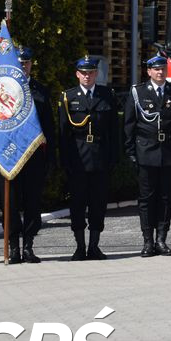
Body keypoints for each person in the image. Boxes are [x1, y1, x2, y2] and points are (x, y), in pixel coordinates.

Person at [124, 53, 171, 257]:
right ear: (149, 71)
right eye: (156, 69)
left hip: (169, 153)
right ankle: (147, 241)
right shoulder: (138, 93)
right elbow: (129, 126)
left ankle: (162, 239)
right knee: (146, 199)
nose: (160, 72)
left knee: (166, 198)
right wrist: (131, 153)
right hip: (146, 153)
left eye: (163, 69)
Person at [59, 55, 119, 260]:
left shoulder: (106, 95)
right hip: (77, 160)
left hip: (100, 158)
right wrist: (65, 161)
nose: (87, 76)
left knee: (98, 204)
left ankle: (94, 246)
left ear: (96, 74)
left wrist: (113, 159)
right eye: (83, 73)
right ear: (77, 74)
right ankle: (79, 247)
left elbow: (114, 131)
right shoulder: (68, 97)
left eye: (91, 73)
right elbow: (63, 133)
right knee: (77, 204)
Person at [7, 47, 55, 263]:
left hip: (34, 156)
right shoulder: (4, 90)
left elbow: (49, 128)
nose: (23, 66)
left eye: (26, 63)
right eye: (19, 63)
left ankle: (28, 246)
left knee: (32, 203)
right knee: (12, 203)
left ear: (31, 64)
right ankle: (13, 247)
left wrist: (51, 157)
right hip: (10, 156)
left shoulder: (40, 91)